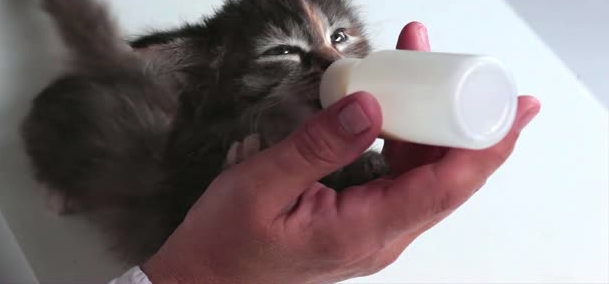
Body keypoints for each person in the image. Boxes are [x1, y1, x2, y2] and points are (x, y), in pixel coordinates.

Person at [110, 22, 540, 284]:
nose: (331, 57)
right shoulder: (191, 151)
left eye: (338, 35)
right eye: (282, 50)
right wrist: (210, 274)